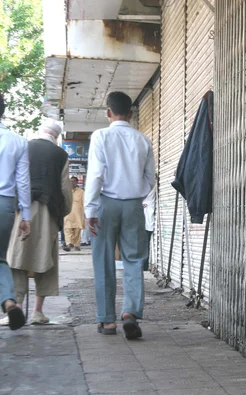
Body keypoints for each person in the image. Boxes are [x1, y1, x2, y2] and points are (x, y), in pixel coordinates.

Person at [85, 91, 156, 338]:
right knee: (134, 260)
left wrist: (90, 209)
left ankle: (107, 322)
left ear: (108, 112)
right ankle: (130, 313)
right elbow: (150, 179)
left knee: (103, 260)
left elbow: (95, 174)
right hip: (133, 205)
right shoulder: (143, 140)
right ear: (131, 113)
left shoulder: (101, 136)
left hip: (106, 204)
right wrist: (135, 194)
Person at [3, 120, 72, 326]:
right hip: (47, 212)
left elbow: (17, 178)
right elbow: (65, 189)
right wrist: (63, 213)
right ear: (56, 136)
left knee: (17, 259)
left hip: (19, 210)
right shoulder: (61, 155)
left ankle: (14, 309)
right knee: (45, 260)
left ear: (39, 132)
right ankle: (38, 312)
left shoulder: (24, 145)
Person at [0, 93, 30, 330]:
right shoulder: (18, 141)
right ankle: (10, 302)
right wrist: (26, 216)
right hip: (6, 204)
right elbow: (23, 182)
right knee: (1, 259)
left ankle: (9, 302)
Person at [63, 176, 85, 251]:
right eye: (70, 181)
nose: (72, 183)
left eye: (73, 181)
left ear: (77, 182)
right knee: (67, 229)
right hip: (67, 214)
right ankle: (68, 244)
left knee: (77, 230)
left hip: (77, 215)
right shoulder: (66, 191)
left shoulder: (81, 192)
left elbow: (84, 203)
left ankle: (76, 245)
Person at [142, 182, 156, 271]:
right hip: (145, 223)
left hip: (146, 223)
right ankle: (144, 266)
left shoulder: (150, 191)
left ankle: (144, 266)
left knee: (144, 245)